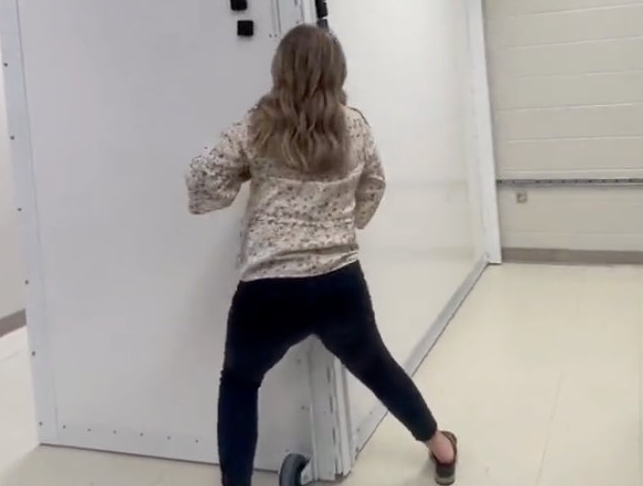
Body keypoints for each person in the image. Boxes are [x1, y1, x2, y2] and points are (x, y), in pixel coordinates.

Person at [186, 24, 457, 486]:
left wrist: (245, 174)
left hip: (268, 289)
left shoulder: (257, 127)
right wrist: (341, 225)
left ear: (280, 70)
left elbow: (202, 183)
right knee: (377, 367)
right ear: (337, 71)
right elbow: (375, 185)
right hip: (338, 282)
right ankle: (441, 448)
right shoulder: (354, 124)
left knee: (239, 383)